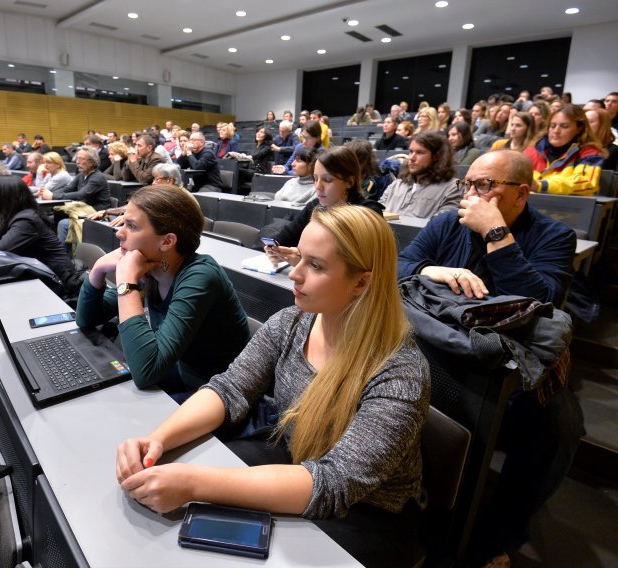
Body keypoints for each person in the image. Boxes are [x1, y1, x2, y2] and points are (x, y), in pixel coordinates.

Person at [116, 204, 429, 567]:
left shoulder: (400, 372)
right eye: (300, 257)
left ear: (361, 282)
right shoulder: (292, 322)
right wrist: (159, 439)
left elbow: (335, 482)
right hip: (297, 461)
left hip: (369, 515)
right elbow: (230, 388)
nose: (294, 274)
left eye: (315, 265)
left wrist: (193, 483)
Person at [397, 150, 583, 567]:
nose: (473, 196)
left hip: (515, 360)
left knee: (559, 427)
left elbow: (544, 302)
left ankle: (497, 538)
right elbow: (401, 264)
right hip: (445, 346)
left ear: (521, 193)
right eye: (469, 185)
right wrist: (436, 272)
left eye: (486, 186)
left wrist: (496, 233)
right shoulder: (448, 222)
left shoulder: (553, 236)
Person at [77, 185, 250, 393]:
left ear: (167, 241)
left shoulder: (201, 276)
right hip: (177, 373)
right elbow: (87, 319)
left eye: (131, 226)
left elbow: (146, 372)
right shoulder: (150, 267)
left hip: (213, 392)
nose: (119, 233)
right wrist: (97, 270)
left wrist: (126, 282)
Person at [268, 145, 384, 265]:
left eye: (327, 180)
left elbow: (354, 264)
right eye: (315, 179)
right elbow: (285, 236)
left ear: (349, 182)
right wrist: (274, 248)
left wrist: (304, 260)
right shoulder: (316, 205)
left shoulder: (369, 212)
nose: (318, 186)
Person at [0, 176, 80, 294]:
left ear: (3, 198)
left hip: (58, 284)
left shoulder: (26, 220)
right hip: (38, 277)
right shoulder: (12, 215)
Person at [524, 104, 605, 195]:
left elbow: (586, 182)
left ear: (580, 128)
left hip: (567, 207)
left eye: (564, 126)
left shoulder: (590, 153)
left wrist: (541, 186)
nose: (556, 131)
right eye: (553, 126)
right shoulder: (532, 151)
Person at [379, 131, 460, 218]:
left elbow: (439, 226)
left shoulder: (453, 188)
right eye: (410, 152)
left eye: (419, 152)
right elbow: (376, 214)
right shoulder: (396, 184)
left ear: (437, 156)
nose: (411, 158)